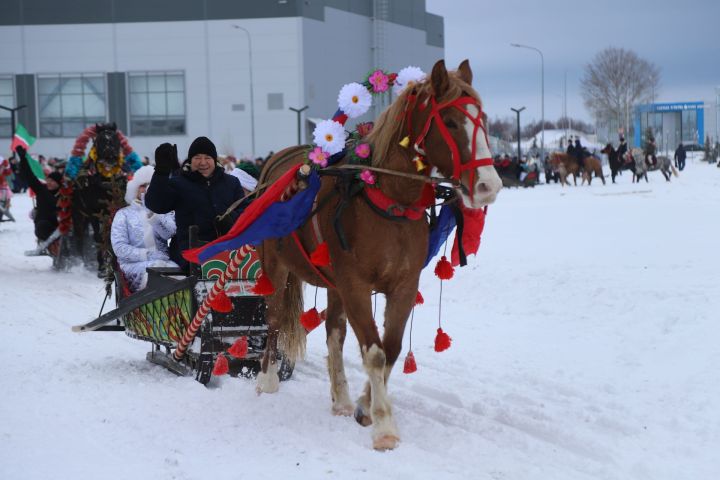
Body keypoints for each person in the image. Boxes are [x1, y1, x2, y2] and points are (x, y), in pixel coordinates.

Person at [145, 137, 245, 268]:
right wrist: (161, 172)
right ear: (190, 160)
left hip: (229, 250)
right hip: (192, 253)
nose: (203, 162)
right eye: (197, 157)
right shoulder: (178, 183)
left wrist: (231, 219)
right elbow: (156, 204)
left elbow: (245, 210)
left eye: (207, 157)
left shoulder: (232, 183)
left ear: (214, 160)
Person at [110, 165, 177, 292]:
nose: (146, 189)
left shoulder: (163, 211)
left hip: (164, 262)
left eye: (150, 186)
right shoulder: (124, 214)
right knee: (155, 272)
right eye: (143, 185)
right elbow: (119, 247)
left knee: (178, 275)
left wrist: (153, 213)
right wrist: (148, 255)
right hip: (133, 265)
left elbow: (169, 233)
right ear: (135, 188)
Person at [15, 146, 61, 242]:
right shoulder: (41, 189)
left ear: (59, 183)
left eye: (52, 181)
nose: (49, 182)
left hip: (62, 224)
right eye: (48, 180)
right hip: (45, 224)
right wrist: (23, 159)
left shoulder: (65, 194)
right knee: (43, 226)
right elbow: (29, 175)